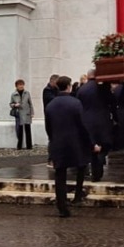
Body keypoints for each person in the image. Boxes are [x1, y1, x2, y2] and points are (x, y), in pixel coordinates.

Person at [44, 76, 100, 218]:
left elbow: (48, 128)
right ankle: (77, 195)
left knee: (60, 175)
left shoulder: (50, 105)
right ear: (69, 86)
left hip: (58, 143)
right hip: (75, 143)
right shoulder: (76, 103)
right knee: (81, 168)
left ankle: (62, 206)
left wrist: (53, 140)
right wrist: (91, 143)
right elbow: (83, 126)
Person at [76, 75, 115, 182]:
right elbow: (112, 102)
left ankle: (95, 172)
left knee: (92, 146)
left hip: (87, 121)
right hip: (103, 121)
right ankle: (99, 163)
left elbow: (78, 105)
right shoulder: (103, 88)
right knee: (105, 145)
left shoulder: (81, 89)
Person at [9, 79, 34, 150]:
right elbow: (10, 104)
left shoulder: (27, 93)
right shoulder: (14, 94)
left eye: (22, 84)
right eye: (19, 85)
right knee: (19, 130)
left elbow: (30, 103)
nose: (21, 86)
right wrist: (15, 105)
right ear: (16, 86)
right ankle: (19, 146)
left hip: (26, 113)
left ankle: (29, 146)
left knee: (28, 129)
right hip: (19, 114)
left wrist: (32, 112)